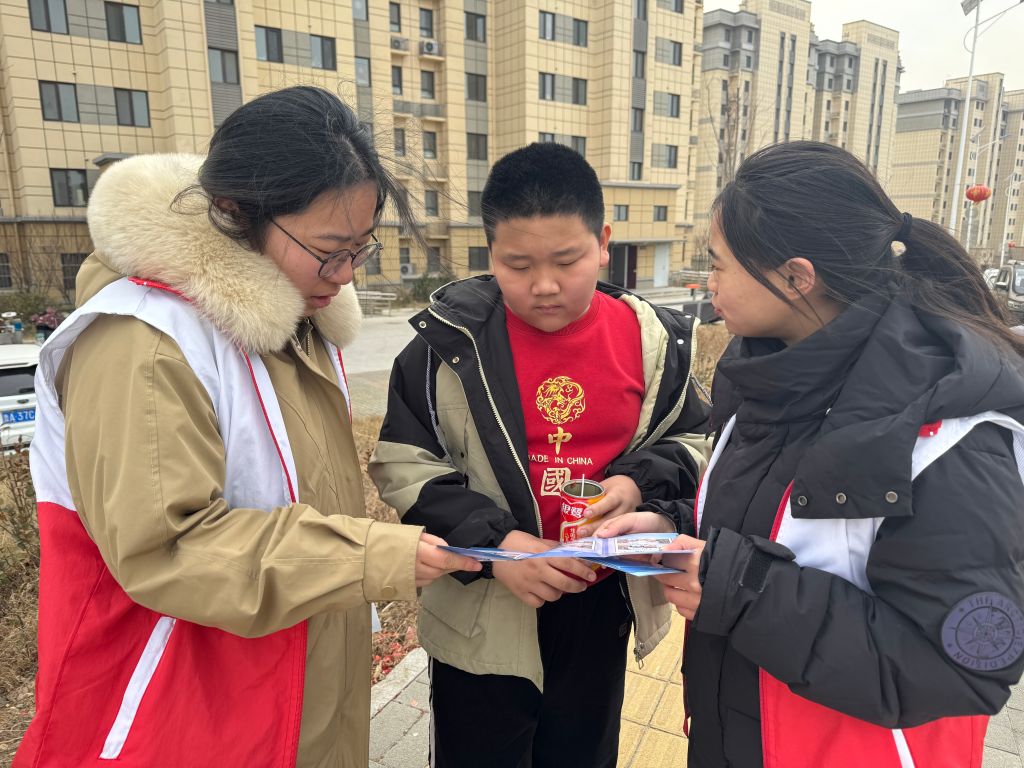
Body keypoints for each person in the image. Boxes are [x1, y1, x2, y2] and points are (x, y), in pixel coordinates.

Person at [16, 86, 480, 768]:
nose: (345, 276)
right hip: (190, 701)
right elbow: (168, 545)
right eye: (329, 250)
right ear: (235, 212)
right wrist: (370, 557)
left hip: (301, 668)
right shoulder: (143, 342)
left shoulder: (296, 319)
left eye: (360, 249)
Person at [597, 141, 1024, 768]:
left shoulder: (945, 432)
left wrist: (739, 590)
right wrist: (672, 527)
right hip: (734, 734)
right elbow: (776, 526)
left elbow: (968, 662)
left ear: (796, 277)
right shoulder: (768, 376)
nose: (708, 284)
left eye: (718, 265)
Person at [368, 142, 711, 768]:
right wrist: (501, 547)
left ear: (603, 243)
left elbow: (694, 440)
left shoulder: (653, 343)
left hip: (601, 602)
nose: (544, 285)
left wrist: (635, 484)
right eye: (518, 264)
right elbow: (403, 464)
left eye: (567, 260)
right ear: (490, 252)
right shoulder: (447, 347)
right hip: (484, 607)